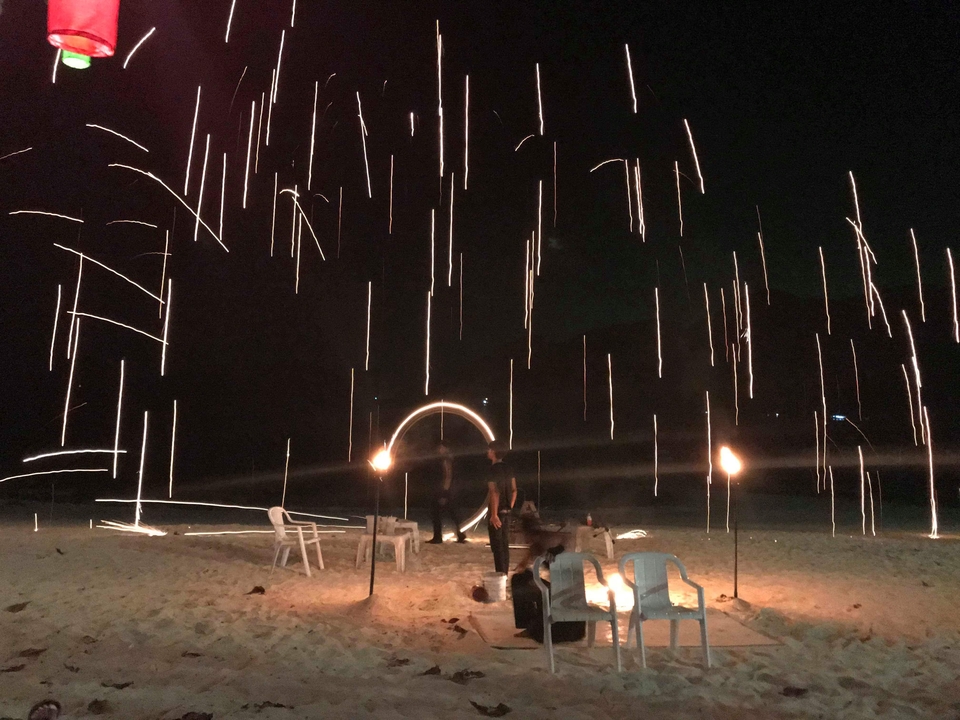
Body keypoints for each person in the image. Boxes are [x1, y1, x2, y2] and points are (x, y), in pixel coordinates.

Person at [486, 440, 517, 574]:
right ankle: (504, 573)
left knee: (497, 546)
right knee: (504, 545)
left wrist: (494, 514)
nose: (487, 452)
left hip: (497, 512)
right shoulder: (509, 468)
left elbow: (494, 492)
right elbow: (514, 490)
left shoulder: (492, 470)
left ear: (493, 452)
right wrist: (509, 507)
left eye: (489, 450)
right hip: (507, 512)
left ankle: (500, 574)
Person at [428, 442, 465, 544]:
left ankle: (438, 537)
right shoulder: (448, 459)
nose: (439, 450)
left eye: (441, 448)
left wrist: (444, 492)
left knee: (436, 513)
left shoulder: (446, 460)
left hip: (445, 490)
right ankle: (460, 534)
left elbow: (448, 476)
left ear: (446, 448)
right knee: (452, 513)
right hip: (449, 490)